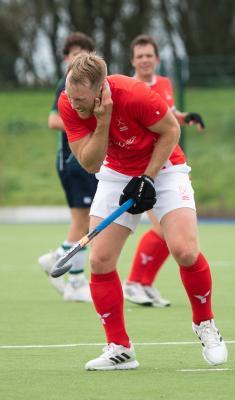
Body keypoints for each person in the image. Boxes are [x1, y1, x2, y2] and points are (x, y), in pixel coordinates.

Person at [57, 52, 227, 371]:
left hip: (163, 167)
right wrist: (104, 120)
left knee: (185, 250)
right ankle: (119, 348)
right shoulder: (70, 103)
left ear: (100, 89)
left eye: (81, 98)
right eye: (70, 95)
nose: (74, 103)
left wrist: (148, 178)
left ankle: (205, 324)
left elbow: (171, 131)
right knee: (100, 260)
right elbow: (90, 162)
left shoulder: (134, 94)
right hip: (115, 173)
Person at [123, 35, 205, 308]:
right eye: (140, 56)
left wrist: (184, 117)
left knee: (169, 234)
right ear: (132, 61)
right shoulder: (129, 88)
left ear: (156, 59)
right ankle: (134, 282)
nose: (145, 60)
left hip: (170, 163)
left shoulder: (165, 84)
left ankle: (144, 284)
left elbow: (166, 113)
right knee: (162, 229)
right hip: (144, 166)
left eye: (149, 55)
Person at [38, 33, 98, 302]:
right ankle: (63, 268)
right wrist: (84, 120)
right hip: (73, 162)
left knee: (86, 222)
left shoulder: (90, 85)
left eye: (83, 53)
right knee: (82, 222)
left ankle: (71, 276)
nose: (78, 58)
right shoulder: (66, 85)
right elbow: (52, 121)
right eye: (74, 53)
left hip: (88, 162)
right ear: (66, 58)